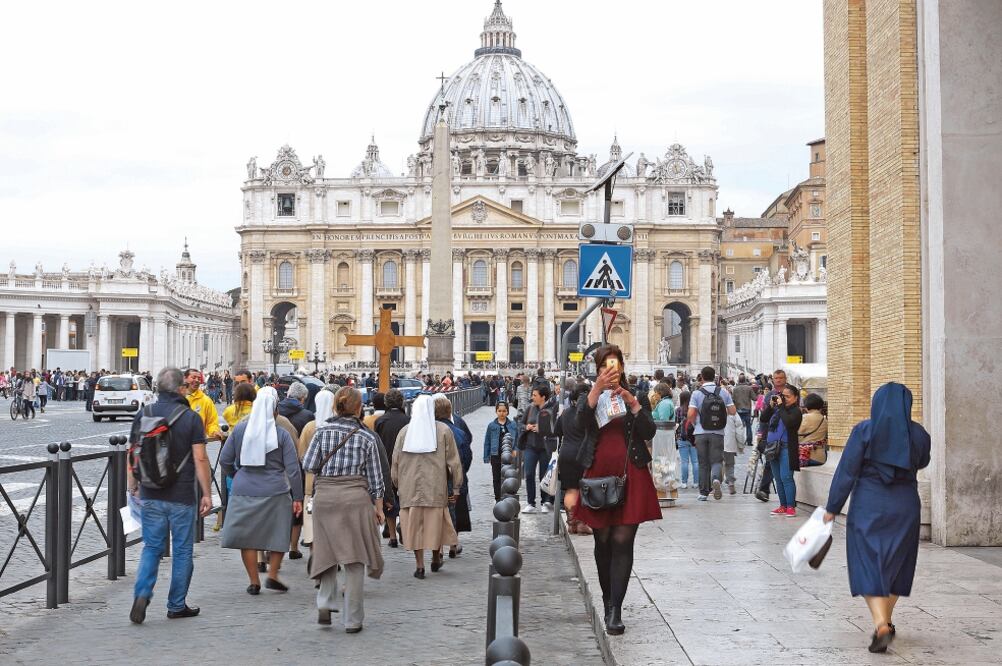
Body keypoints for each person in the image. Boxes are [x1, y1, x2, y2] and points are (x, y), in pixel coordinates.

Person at [823, 383, 931, 654]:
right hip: (905, 504)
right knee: (897, 564)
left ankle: (881, 624)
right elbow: (924, 462)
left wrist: (832, 506)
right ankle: (888, 621)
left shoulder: (865, 430)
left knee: (868, 562)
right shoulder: (918, 434)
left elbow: (847, 471)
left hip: (869, 504)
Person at [574, 345, 660, 635]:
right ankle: (607, 596)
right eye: (602, 367)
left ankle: (615, 610)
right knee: (603, 541)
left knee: (623, 541)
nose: (608, 371)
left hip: (631, 472)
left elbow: (649, 431)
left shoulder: (634, 395)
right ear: (597, 370)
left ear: (621, 366)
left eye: (613, 365)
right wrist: (595, 391)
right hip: (598, 473)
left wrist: (632, 404)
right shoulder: (589, 395)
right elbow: (578, 425)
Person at [128, 367, 212, 624]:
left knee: (151, 547)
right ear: (181, 389)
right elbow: (200, 457)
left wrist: (133, 486)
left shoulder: (144, 413)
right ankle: (176, 605)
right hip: (182, 493)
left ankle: (142, 593)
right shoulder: (190, 418)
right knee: (183, 550)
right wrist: (207, 493)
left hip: (151, 491)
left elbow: (132, 454)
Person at [302, 387, 385, 633]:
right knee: (354, 558)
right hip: (355, 500)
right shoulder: (366, 437)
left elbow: (308, 464)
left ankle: (325, 603)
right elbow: (376, 479)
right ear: (359, 408)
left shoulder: (321, 431)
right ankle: (352, 619)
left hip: (325, 498)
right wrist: (378, 507)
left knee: (326, 553)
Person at [219, 388, 303, 594]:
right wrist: (298, 497)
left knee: (247, 537)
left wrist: (237, 474)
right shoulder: (281, 434)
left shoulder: (239, 430)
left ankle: (254, 581)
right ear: (274, 411)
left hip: (244, 488)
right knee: (278, 532)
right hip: (276, 490)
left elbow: (224, 460)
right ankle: (273, 574)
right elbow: (293, 469)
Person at [391, 395, 463, 580]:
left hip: (410, 489)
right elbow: (454, 462)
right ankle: (435, 557)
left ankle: (419, 565)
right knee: (435, 524)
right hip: (435, 487)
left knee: (415, 527)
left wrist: (397, 484)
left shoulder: (404, 432)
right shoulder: (443, 430)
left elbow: (395, 462)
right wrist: (456, 487)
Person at [686, 367, 737, 501]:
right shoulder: (724, 392)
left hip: (700, 432)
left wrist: (694, 424)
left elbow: (691, 414)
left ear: (701, 377)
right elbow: (732, 411)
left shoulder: (697, 393)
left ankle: (703, 493)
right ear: (714, 377)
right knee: (716, 460)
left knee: (703, 463)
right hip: (718, 432)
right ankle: (716, 479)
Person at [297, 389, 335, 550]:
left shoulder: (310, 427)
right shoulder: (338, 426)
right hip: (334, 480)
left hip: (311, 480)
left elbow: (301, 454)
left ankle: (315, 552)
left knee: (311, 517)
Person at [434, 396, 472, 558]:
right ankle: (453, 544)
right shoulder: (459, 431)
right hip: (455, 478)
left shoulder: (430, 432)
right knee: (453, 511)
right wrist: (462, 474)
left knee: (438, 512)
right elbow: (467, 456)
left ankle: (439, 548)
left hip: (435, 479)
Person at [554, 383, 592, 535]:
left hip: (566, 453)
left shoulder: (565, 413)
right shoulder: (589, 415)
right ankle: (582, 523)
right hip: (584, 454)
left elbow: (556, 431)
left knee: (571, 489)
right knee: (585, 489)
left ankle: (572, 524)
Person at [373, 389, 409, 548]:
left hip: (386, 464)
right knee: (405, 499)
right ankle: (405, 529)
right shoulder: (408, 420)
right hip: (405, 465)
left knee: (389, 500)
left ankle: (392, 535)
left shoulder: (381, 421)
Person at [765, 383, 803, 517]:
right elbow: (763, 419)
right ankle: (782, 505)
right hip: (772, 447)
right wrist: (770, 407)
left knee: (786, 477)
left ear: (795, 398)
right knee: (778, 478)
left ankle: (790, 507)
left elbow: (789, 422)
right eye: (783, 396)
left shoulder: (796, 411)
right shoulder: (777, 410)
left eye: (788, 396)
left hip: (787, 447)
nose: (785, 398)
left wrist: (781, 406)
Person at [518, 384, 558, 513]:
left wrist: (542, 429)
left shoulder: (552, 409)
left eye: (535, 395)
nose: (532, 397)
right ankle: (531, 502)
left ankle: (546, 501)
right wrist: (527, 427)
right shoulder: (530, 408)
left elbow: (556, 428)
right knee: (529, 473)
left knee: (544, 475)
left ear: (543, 397)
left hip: (546, 447)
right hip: (531, 446)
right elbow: (520, 424)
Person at [484, 401, 519, 502]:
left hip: (509, 456)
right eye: (499, 411)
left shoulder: (513, 425)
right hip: (495, 454)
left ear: (507, 412)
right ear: (496, 412)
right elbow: (487, 442)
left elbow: (517, 439)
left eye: (504, 411)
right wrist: (487, 456)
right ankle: (498, 498)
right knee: (496, 477)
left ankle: (507, 497)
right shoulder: (491, 426)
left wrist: (515, 450)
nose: (502, 413)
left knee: (509, 476)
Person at [798, 393, 829, 467]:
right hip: (821, 457)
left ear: (806, 406)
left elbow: (796, 434)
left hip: (805, 457)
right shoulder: (824, 420)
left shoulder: (804, 418)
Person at [676, 389, 697, 489]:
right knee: (695, 462)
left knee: (684, 462)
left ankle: (684, 482)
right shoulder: (694, 410)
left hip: (682, 438)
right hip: (694, 438)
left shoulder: (678, 410)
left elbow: (675, 424)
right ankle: (696, 482)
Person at [732, 374, 754, 446]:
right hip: (747, 409)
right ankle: (749, 441)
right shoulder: (749, 388)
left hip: (738, 409)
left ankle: (739, 441)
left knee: (739, 426)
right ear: (745, 380)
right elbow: (755, 398)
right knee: (748, 426)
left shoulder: (735, 389)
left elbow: (733, 399)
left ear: (738, 380)